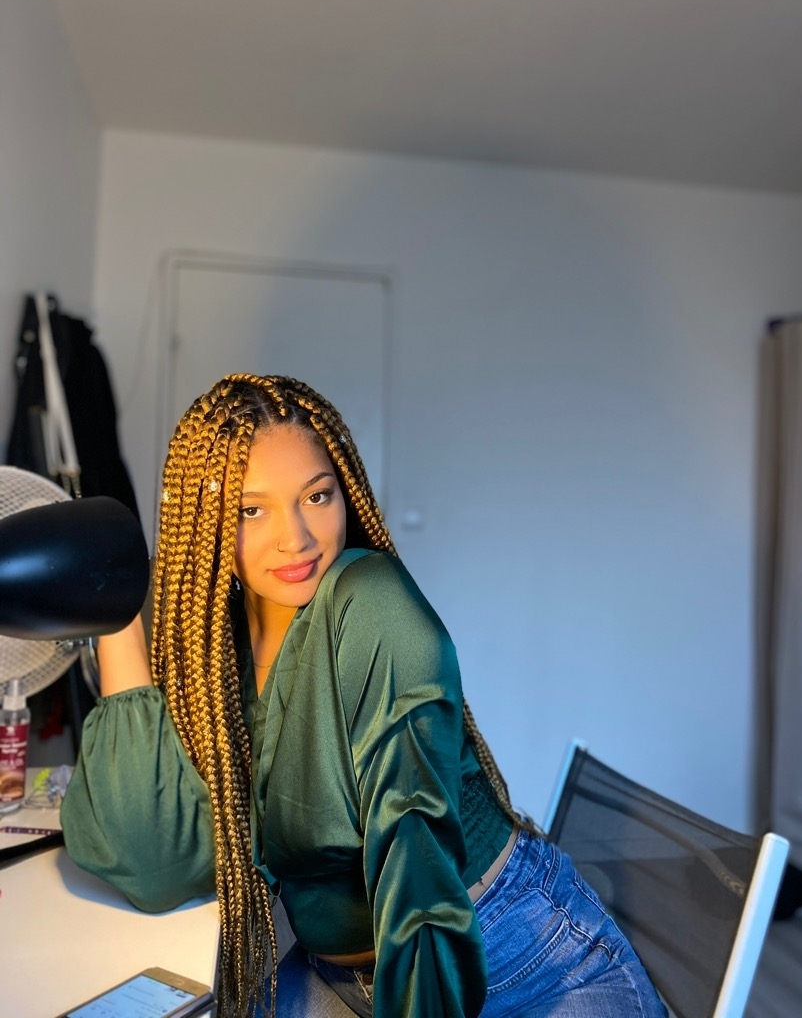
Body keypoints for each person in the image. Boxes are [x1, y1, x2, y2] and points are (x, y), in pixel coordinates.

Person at [61, 373, 666, 1018]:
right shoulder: (219, 653)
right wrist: (115, 608)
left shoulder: (370, 603)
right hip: (345, 975)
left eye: (316, 496)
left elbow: (420, 879)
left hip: (515, 960)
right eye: (251, 510)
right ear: (203, 524)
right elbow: (154, 864)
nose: (296, 537)